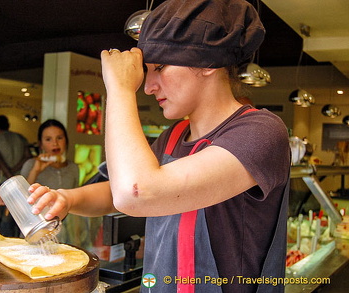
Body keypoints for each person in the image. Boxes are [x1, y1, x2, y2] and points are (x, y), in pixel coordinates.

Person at [28, 0, 291, 292]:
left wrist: (119, 89)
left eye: (160, 67)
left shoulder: (260, 132)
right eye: (147, 71)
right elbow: (117, 189)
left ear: (207, 63)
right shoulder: (174, 135)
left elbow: (136, 194)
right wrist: (68, 199)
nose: (149, 86)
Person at [20, 119, 80, 245]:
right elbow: (21, 201)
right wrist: (35, 171)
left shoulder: (73, 168)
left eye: (59, 138)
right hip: (36, 232)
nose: (55, 143)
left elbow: (75, 205)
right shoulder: (31, 164)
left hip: (65, 234)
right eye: (48, 139)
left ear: (66, 141)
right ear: (41, 144)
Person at [0, 115, 31, 236]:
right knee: (22, 217)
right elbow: (27, 156)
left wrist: (9, 174)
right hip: (22, 181)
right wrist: (15, 171)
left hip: (6, 183)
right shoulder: (21, 138)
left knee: (6, 218)